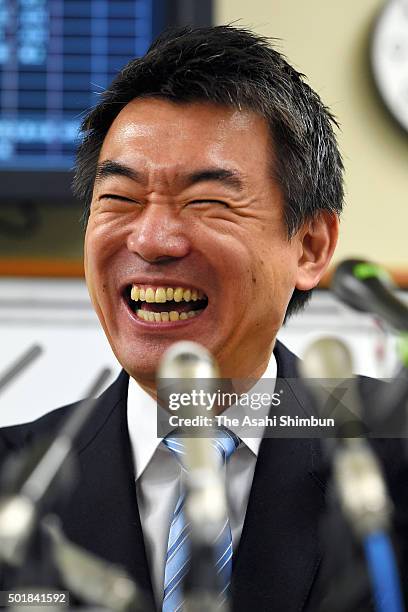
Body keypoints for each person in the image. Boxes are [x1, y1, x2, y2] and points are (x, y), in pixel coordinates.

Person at [0, 25, 403, 612]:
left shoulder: (390, 460)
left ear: (312, 246)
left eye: (206, 202)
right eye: (119, 200)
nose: (154, 238)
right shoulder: (14, 484)